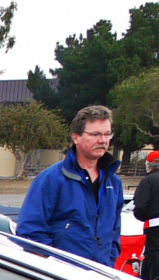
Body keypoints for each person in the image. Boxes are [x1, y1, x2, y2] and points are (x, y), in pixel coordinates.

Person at [17, 105, 123, 267]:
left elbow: (114, 233)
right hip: (62, 278)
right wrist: (56, 266)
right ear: (76, 137)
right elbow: (30, 232)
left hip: (101, 276)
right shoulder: (51, 179)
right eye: (95, 134)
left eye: (107, 134)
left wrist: (108, 261)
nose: (102, 140)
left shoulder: (114, 183)